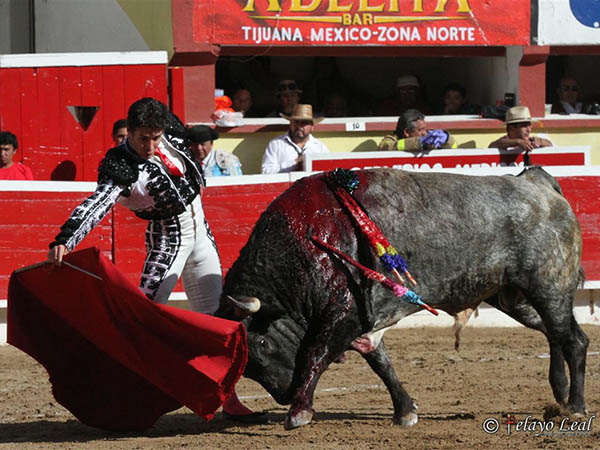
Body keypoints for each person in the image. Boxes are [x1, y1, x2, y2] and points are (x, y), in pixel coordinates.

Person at [46, 97, 263, 422]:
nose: (149, 146)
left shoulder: (170, 132)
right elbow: (97, 204)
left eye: (155, 138)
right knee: (141, 319)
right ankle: (118, 393)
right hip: (168, 240)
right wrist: (66, 237)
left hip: (201, 233)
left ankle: (229, 401)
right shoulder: (120, 165)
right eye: (142, 138)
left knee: (214, 322)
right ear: (130, 132)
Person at [261, 104, 329, 173]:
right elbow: (266, 172)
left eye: (304, 123)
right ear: (290, 124)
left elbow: (327, 171)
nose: (299, 126)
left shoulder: (320, 147)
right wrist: (294, 163)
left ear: (312, 127)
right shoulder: (276, 144)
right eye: (296, 122)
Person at [377, 109, 457, 152]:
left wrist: (447, 138)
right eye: (420, 130)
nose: (424, 133)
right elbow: (385, 148)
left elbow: (454, 148)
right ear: (407, 132)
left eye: (424, 128)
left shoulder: (429, 136)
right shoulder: (391, 139)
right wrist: (419, 143)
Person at [488, 106, 553, 151]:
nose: (529, 130)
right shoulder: (503, 142)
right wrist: (518, 142)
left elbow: (550, 145)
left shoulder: (530, 140)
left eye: (529, 126)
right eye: (524, 126)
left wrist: (540, 141)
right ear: (511, 128)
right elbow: (492, 146)